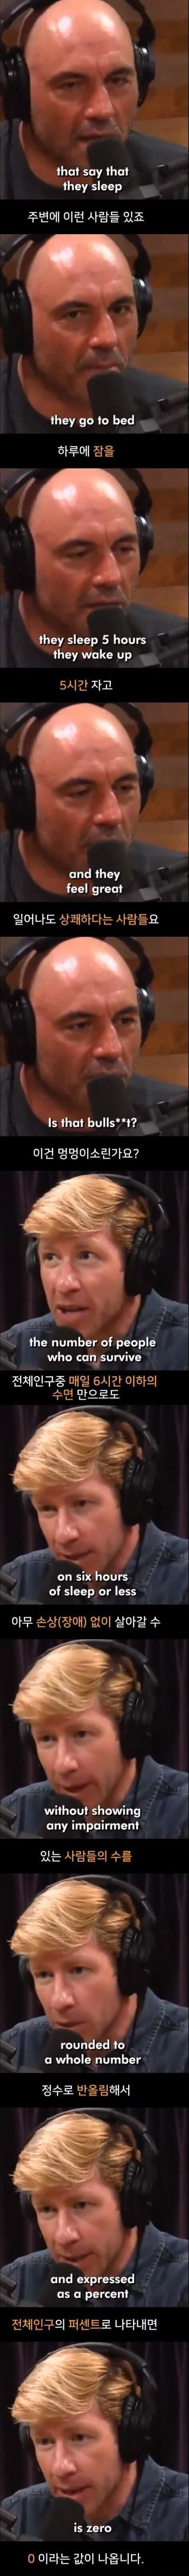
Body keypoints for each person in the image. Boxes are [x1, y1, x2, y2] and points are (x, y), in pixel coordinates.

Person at [1, 0, 187, 207]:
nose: (103, 110)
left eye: (117, 81)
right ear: (20, 92)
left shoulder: (179, 181)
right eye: (71, 85)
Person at [1, 698, 185, 908]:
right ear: (23, 800)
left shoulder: (177, 883)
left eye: (125, 788)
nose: (112, 816)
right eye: (81, 793)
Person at [1, 465, 187, 669]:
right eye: (80, 554)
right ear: (23, 561)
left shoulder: (178, 648)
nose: (112, 577)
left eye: (125, 550)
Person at [1, 1639, 188, 1841]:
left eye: (82, 1734)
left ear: (129, 1731)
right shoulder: (18, 1813)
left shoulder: (182, 1815)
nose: (63, 1765)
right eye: (47, 1739)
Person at [1, 934, 187, 1136]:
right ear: (24, 1034)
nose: (112, 1049)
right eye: (81, 1026)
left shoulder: (178, 1118)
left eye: (126, 1021)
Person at [1, 2108, 188, 2307]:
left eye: (82, 2205)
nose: (64, 2236)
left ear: (130, 2202)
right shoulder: (17, 2284)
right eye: (47, 2210)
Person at [1, 1173, 188, 1371]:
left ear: (136, 1263)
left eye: (86, 1256)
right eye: (51, 1257)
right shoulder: (15, 1351)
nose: (64, 1284)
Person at [1, 1407, 188, 1604]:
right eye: (48, 1509)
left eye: (82, 1504)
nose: (64, 1535)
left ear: (130, 1500)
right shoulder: (19, 1581)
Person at [1, 1875, 188, 2070]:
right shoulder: (18, 2048)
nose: (59, 2001)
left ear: (127, 1969)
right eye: (44, 1975)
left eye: (78, 1971)